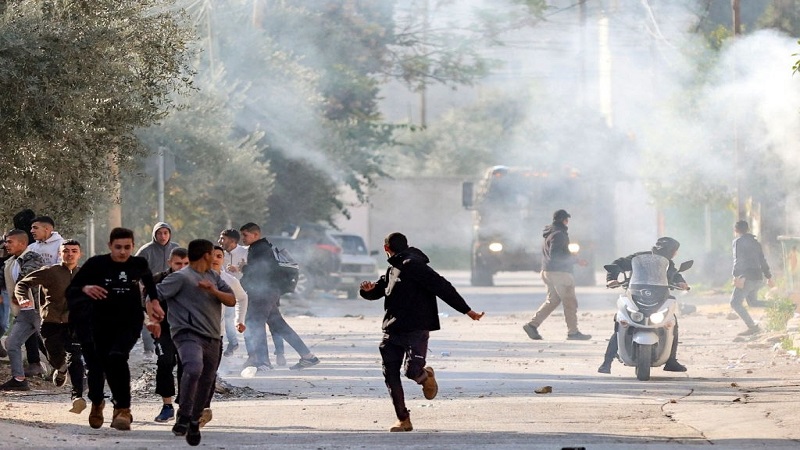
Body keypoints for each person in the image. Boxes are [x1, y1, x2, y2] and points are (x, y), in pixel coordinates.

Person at [360, 232, 485, 432]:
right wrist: (367, 291)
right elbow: (381, 289)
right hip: (392, 329)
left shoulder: (414, 265)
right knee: (390, 375)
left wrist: (466, 310)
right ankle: (403, 419)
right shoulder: (393, 268)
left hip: (416, 329)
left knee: (411, 371)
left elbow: (442, 287)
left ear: (386, 248)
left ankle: (425, 376)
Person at [66, 227, 159, 431]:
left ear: (133, 246)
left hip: (129, 321)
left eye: (127, 247)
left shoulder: (139, 264)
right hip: (100, 322)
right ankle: (97, 402)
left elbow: (150, 286)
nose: (123, 252)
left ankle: (123, 409)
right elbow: (71, 290)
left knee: (117, 358)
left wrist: (154, 304)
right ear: (110, 246)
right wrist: (85, 288)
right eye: (118, 247)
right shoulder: (96, 264)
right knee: (97, 367)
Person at [147, 239, 235, 446]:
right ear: (206, 255)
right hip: (186, 333)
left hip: (212, 336)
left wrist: (213, 291)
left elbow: (231, 300)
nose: (215, 258)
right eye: (213, 254)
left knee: (206, 380)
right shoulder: (181, 277)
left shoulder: (213, 276)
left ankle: (194, 420)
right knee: (193, 368)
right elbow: (153, 296)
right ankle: (184, 414)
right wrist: (153, 317)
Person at [11, 239, 87, 412]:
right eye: (66, 251)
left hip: (74, 323)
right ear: (60, 253)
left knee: (75, 358)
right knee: (55, 357)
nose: (70, 254)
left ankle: (77, 396)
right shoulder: (50, 272)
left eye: (74, 251)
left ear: (79, 254)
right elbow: (23, 284)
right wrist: (22, 298)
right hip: (51, 323)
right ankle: (61, 369)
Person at [597, 237, 689, 374]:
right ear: (670, 250)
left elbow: (675, 275)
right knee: (622, 322)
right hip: (635, 296)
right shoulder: (640, 258)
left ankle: (671, 361)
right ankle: (606, 363)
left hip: (659, 297)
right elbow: (617, 264)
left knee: (671, 321)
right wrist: (612, 279)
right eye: (675, 250)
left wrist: (682, 283)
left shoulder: (668, 264)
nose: (676, 253)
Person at [239, 222, 318, 372]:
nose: (243, 238)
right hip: (269, 293)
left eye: (245, 235)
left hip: (263, 294)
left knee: (255, 324)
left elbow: (262, 272)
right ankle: (308, 356)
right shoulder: (261, 247)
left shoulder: (260, 249)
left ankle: (263, 362)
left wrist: (244, 268)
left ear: (255, 234)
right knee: (279, 326)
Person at [522, 210, 591, 341]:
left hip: (547, 272)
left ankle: (532, 325)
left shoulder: (550, 233)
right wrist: (574, 260)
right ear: (564, 220)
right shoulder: (559, 235)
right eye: (567, 220)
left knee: (553, 300)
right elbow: (556, 255)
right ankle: (573, 332)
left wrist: (574, 259)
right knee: (570, 302)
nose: (568, 222)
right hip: (560, 273)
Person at [0, 230, 45, 391]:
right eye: (6, 241)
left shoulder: (33, 257)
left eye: (10, 242)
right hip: (25, 312)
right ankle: (19, 379)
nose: (6, 245)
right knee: (12, 343)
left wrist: (16, 294)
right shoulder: (9, 262)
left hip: (40, 311)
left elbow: (27, 277)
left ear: (23, 243)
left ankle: (79, 374)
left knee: (53, 345)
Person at [151, 247, 189, 423]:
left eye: (186, 263)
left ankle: (185, 406)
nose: (182, 267)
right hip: (164, 330)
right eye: (178, 263)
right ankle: (167, 406)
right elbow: (145, 304)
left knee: (186, 367)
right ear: (170, 263)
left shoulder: (196, 280)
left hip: (188, 331)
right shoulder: (158, 280)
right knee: (165, 362)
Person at [135, 222, 180, 355]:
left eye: (165, 233)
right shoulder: (146, 250)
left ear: (170, 234)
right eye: (159, 233)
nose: (163, 236)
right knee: (150, 317)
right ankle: (149, 349)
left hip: (172, 291)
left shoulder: (176, 248)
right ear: (154, 234)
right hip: (150, 291)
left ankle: (168, 347)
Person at [730, 220, 774, 336]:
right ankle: (779, 305)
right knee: (753, 302)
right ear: (748, 229)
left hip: (746, 278)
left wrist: (735, 276)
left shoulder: (738, 242)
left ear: (736, 230)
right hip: (758, 278)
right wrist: (768, 276)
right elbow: (762, 260)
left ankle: (753, 327)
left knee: (735, 303)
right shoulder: (756, 242)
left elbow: (737, 260)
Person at [217, 229, 248, 357]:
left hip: (244, 290)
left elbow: (254, 270)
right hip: (227, 292)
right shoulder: (220, 255)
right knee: (227, 317)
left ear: (233, 241)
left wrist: (239, 269)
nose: (219, 241)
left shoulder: (245, 252)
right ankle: (232, 343)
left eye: (223, 239)